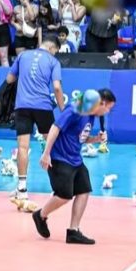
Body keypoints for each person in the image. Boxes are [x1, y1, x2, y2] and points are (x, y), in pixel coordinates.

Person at [34, 89, 116, 245]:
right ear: (102, 103)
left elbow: (81, 138)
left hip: (75, 159)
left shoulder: (92, 115)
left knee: (84, 190)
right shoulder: (74, 109)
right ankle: (41, 215)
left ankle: (73, 231)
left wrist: (96, 139)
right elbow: (55, 128)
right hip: (60, 158)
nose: (108, 111)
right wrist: (46, 153)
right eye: (108, 108)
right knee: (64, 196)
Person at [5, 34, 65, 200]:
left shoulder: (22, 55)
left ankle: (22, 189)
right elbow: (57, 88)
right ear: (53, 48)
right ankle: (59, 187)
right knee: (52, 146)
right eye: (55, 52)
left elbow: (9, 79)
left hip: (22, 106)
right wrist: (63, 110)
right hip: (43, 107)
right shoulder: (53, 62)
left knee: (23, 148)